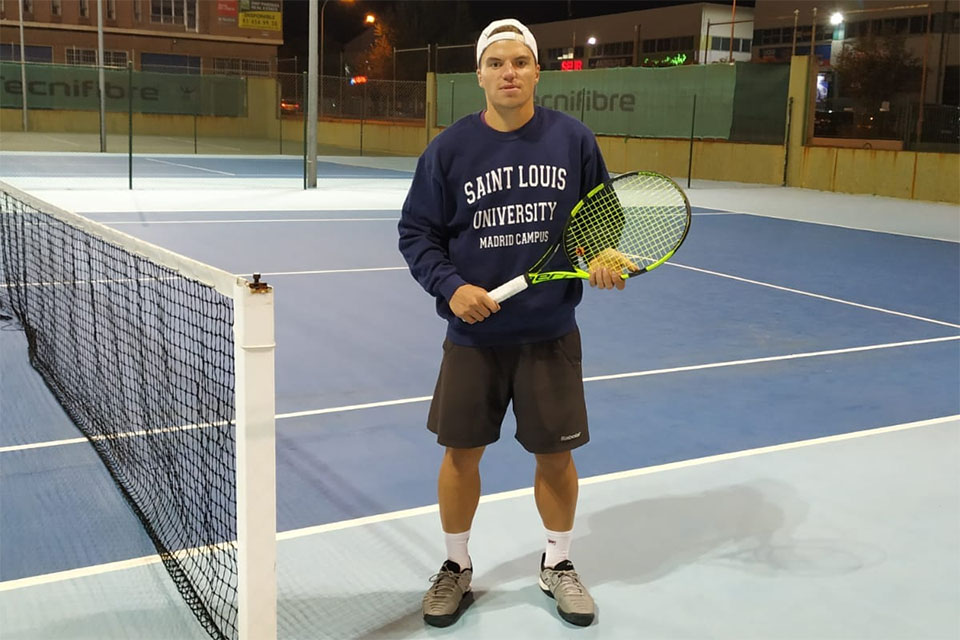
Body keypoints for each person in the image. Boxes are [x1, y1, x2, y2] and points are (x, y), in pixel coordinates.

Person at [398, 17, 629, 628]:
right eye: (497, 63)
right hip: (473, 337)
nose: (509, 73)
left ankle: (557, 562)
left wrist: (602, 253)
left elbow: (598, 224)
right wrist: (452, 288)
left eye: (520, 62)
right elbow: (417, 234)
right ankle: (455, 566)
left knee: (555, 458)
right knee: (460, 454)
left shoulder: (574, 141)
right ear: (478, 74)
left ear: (536, 71)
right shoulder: (448, 151)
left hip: (549, 333)